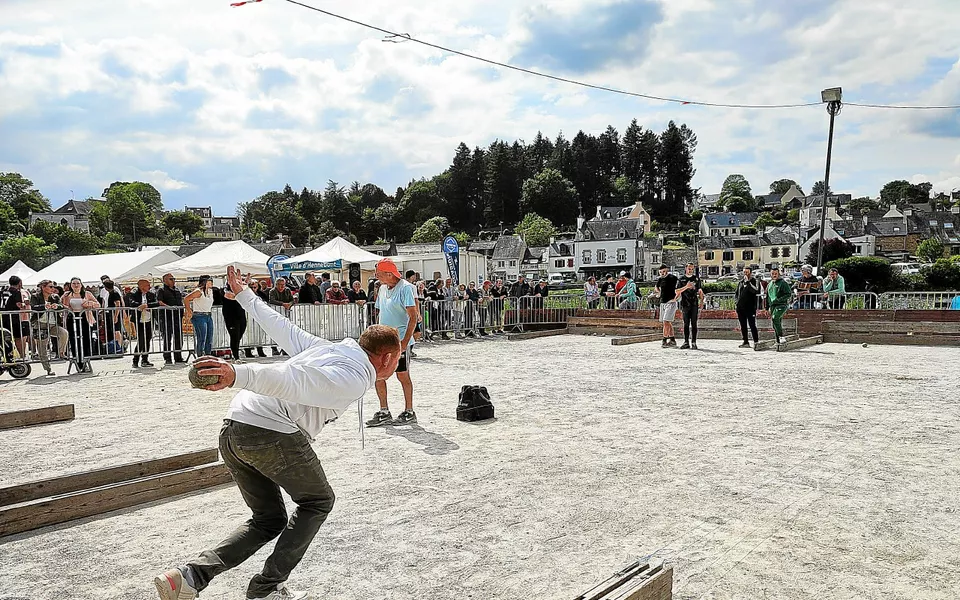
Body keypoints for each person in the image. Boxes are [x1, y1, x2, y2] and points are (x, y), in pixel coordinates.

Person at [154, 266, 402, 600]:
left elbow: (281, 327)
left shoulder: (329, 349)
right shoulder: (355, 377)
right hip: (270, 432)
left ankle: (189, 577)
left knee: (268, 519)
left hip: (233, 427)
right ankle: (265, 589)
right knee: (318, 501)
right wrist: (237, 374)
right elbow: (293, 382)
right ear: (387, 358)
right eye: (398, 359)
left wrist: (245, 296)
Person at [365, 259, 419, 427]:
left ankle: (409, 411)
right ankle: (384, 411)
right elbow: (381, 312)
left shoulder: (405, 288)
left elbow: (413, 317)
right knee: (378, 375)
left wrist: (404, 342)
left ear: (389, 274)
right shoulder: (382, 289)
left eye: (378, 274)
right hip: (382, 341)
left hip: (399, 339)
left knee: (402, 375)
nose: (376, 277)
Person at [30, 280, 69, 374]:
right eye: (50, 287)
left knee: (64, 333)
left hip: (52, 323)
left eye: (53, 287)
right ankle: (48, 369)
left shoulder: (55, 297)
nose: (53, 289)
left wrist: (57, 306)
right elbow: (33, 307)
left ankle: (61, 352)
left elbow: (62, 306)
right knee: (42, 347)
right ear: (43, 287)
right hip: (40, 323)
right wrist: (44, 306)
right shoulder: (35, 296)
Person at [61, 276, 100, 371]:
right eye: (74, 283)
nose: (76, 285)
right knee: (74, 340)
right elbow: (61, 304)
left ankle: (86, 361)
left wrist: (89, 304)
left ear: (81, 284)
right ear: (70, 285)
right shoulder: (67, 295)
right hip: (72, 318)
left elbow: (98, 304)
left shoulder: (87, 294)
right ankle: (78, 362)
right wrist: (67, 308)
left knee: (86, 339)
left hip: (85, 318)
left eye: (78, 283)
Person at [157, 273, 186, 364]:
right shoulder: (161, 290)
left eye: (174, 279)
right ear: (165, 280)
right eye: (171, 279)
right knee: (167, 337)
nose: (173, 280)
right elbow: (159, 302)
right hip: (167, 317)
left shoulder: (177, 290)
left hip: (177, 316)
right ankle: (167, 357)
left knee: (179, 337)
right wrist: (169, 307)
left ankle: (178, 357)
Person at [129, 278, 159, 368]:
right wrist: (140, 306)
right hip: (139, 320)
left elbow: (156, 303)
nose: (149, 286)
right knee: (141, 340)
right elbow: (131, 303)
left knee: (148, 339)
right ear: (141, 286)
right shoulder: (134, 294)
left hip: (149, 319)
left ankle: (145, 360)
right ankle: (135, 360)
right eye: (147, 285)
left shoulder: (151, 294)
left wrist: (147, 306)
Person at [185, 275, 216, 359]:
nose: (211, 282)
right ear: (205, 282)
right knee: (202, 337)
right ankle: (200, 356)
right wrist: (189, 310)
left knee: (209, 338)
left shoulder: (210, 291)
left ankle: (208, 356)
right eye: (209, 280)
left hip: (208, 315)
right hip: (199, 315)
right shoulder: (198, 291)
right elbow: (186, 299)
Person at [1, 275, 30, 364]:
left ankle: (7, 356)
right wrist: (25, 304)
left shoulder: (2, 291)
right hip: (13, 317)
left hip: (2, 317)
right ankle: (22, 357)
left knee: (4, 337)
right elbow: (19, 305)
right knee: (18, 337)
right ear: (19, 283)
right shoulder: (16, 292)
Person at [215, 284, 247, 362]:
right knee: (234, 335)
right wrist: (240, 295)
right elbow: (230, 296)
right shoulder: (224, 290)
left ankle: (234, 351)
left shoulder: (240, 290)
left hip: (241, 314)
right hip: (231, 316)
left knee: (240, 332)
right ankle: (236, 356)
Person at [676, 263, 704, 350]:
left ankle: (694, 342)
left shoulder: (696, 279)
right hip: (685, 304)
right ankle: (686, 342)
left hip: (694, 303)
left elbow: (700, 290)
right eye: (689, 269)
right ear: (686, 269)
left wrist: (701, 301)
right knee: (686, 323)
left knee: (694, 323)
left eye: (692, 269)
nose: (690, 270)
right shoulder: (681, 279)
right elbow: (677, 291)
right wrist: (686, 286)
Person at [735, 268, 761, 348]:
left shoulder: (754, 281)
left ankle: (756, 341)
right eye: (744, 272)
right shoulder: (740, 282)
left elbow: (756, 291)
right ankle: (745, 341)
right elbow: (737, 294)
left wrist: (748, 283)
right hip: (740, 308)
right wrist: (736, 303)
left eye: (747, 272)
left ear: (751, 273)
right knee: (743, 325)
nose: (745, 274)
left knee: (752, 325)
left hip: (750, 308)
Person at [767, 267, 794, 344]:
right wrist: (767, 307)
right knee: (775, 323)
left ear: (779, 274)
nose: (774, 275)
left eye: (776, 273)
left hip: (781, 305)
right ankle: (778, 341)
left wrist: (779, 300)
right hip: (772, 305)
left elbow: (788, 294)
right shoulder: (770, 284)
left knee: (775, 318)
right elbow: (767, 296)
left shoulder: (783, 283)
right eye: (773, 274)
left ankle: (781, 336)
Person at [654, 265, 679, 348]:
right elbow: (656, 286)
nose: (662, 273)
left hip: (671, 302)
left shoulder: (673, 278)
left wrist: (676, 298)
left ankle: (664, 340)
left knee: (665, 321)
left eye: (663, 272)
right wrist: (659, 292)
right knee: (667, 322)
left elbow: (679, 288)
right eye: (660, 272)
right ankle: (672, 340)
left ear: (667, 271)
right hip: (663, 302)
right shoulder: (660, 279)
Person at [244, 280, 269, 359]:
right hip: (249, 317)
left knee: (260, 334)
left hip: (259, 317)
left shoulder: (261, 294)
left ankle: (260, 350)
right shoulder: (245, 294)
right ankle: (248, 351)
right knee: (249, 334)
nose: (253, 289)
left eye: (255, 287)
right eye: (251, 287)